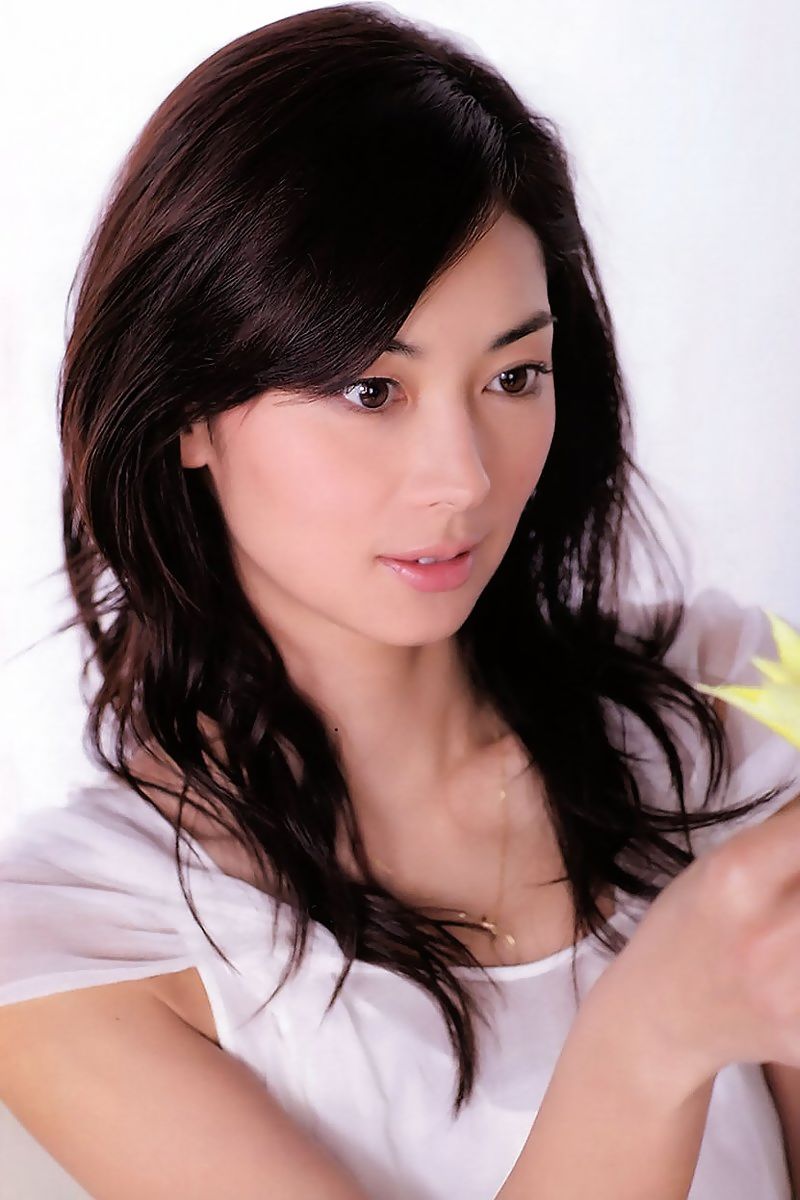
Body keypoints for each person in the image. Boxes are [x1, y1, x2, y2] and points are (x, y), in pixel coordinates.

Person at [1, 5, 799, 1199]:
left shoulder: (721, 705)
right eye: (370, 390)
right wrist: (652, 1036)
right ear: (185, 413)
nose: (463, 478)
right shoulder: (81, 942)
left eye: (512, 375)